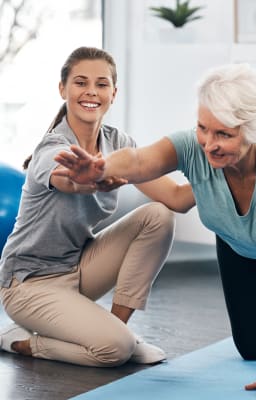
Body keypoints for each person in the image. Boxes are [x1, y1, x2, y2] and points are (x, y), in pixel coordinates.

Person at [52, 63, 256, 397]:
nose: (209, 143)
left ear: (254, 132)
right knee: (255, 348)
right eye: (203, 128)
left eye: (224, 134)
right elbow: (140, 161)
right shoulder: (192, 148)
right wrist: (99, 168)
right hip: (241, 243)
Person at [0, 46, 196, 367]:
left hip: (77, 269)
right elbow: (67, 180)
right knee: (113, 351)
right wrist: (88, 178)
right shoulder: (52, 147)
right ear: (62, 89)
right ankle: (21, 342)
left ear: (113, 93)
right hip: (28, 284)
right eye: (80, 82)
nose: (91, 91)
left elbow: (175, 197)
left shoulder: (119, 143)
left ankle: (120, 330)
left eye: (101, 84)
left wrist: (224, 171)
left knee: (158, 215)